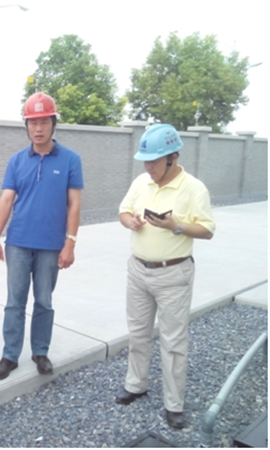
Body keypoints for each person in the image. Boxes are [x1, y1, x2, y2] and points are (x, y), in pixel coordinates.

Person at [114, 123, 215, 429]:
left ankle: (174, 404)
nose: (149, 167)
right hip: (138, 270)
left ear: (173, 157)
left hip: (174, 274)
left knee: (173, 342)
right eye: (145, 161)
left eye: (154, 161)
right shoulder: (141, 182)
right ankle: (136, 385)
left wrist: (175, 226)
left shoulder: (193, 188)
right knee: (138, 333)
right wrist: (130, 221)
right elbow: (123, 211)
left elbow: (207, 230)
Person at [0, 93, 83, 380]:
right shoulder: (17, 160)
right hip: (18, 242)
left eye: (43, 122)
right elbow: (6, 200)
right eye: (32, 123)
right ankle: (9, 355)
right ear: (26, 126)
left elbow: (74, 204)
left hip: (51, 245)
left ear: (53, 124)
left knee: (44, 301)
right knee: (14, 302)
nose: (38, 128)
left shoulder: (70, 159)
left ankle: (40, 351)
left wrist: (70, 242)